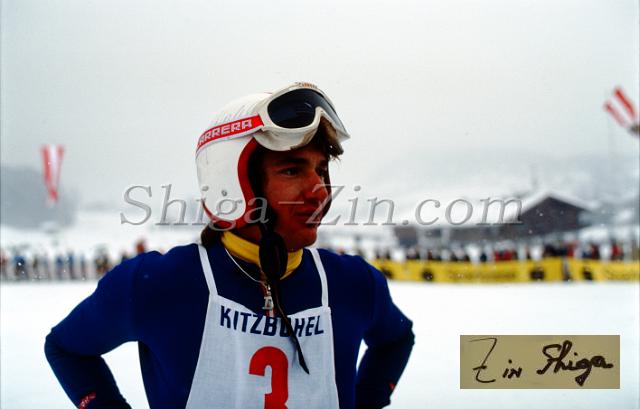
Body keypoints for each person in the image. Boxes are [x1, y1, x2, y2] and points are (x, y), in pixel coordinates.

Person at [45, 82, 414, 409]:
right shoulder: (158, 284)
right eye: (292, 170)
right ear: (231, 185)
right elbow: (66, 348)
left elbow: (396, 340)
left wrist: (368, 400)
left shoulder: (354, 284)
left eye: (321, 170)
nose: (319, 191)